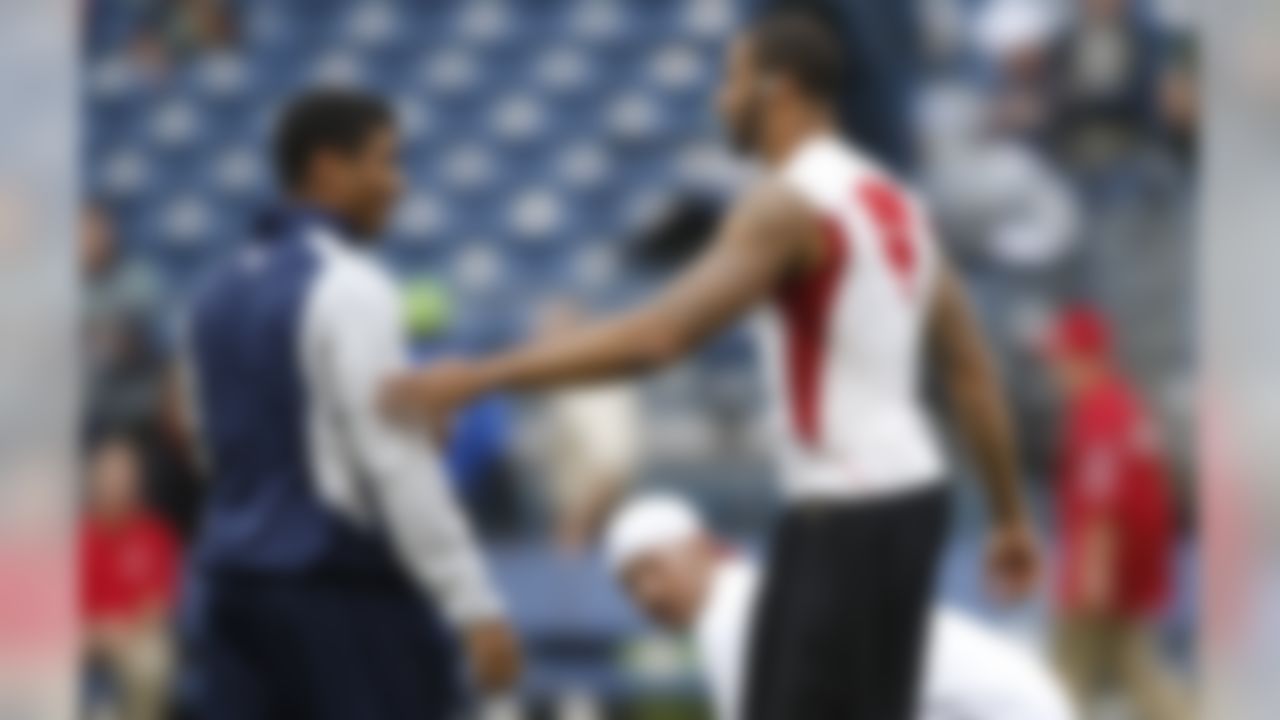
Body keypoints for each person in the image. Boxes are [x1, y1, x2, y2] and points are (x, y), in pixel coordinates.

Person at [384, 14, 1038, 720]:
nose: (719, 100)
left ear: (777, 88)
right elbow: (970, 369)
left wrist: (478, 376)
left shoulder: (785, 203)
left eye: (730, 81)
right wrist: (1007, 516)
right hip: (897, 500)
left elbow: (659, 338)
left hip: (845, 508)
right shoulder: (898, 201)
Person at [180, 90, 518, 719]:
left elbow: (210, 448)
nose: (399, 184)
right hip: (336, 600)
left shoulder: (211, 293)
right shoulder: (351, 286)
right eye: (385, 162)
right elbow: (395, 467)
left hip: (230, 595)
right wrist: (476, 605)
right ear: (328, 165)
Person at [603, 494, 1076, 720]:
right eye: (630, 584)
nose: (647, 594)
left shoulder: (732, 615)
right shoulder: (743, 596)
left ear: (700, 547)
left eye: (653, 568)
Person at [1040, 306, 1189, 720]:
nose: (1055, 371)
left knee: (1061, 683)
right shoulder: (1127, 404)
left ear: (1088, 358)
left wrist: (1093, 571)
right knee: (1137, 675)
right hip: (1133, 571)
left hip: (1104, 573)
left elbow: (1102, 502)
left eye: (1061, 359)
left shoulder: (1099, 413)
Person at [80, 436, 181, 720]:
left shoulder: (155, 535)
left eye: (124, 477)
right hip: (82, 645)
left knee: (153, 659)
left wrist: (122, 633)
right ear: (93, 481)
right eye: (109, 477)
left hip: (133, 644)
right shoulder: (74, 538)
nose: (117, 485)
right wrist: (97, 636)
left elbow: (158, 607)